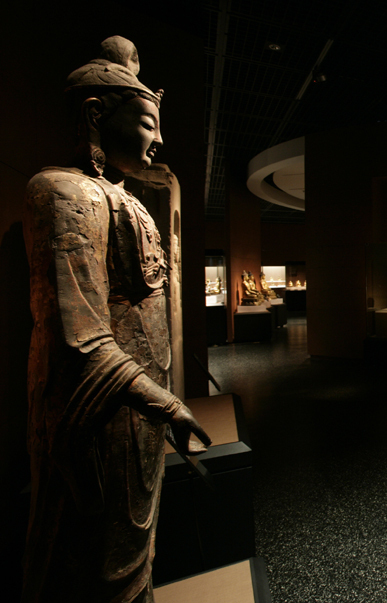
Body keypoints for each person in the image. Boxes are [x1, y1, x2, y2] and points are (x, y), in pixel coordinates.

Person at [22, 37, 210, 603]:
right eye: (148, 123)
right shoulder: (62, 192)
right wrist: (166, 403)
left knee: (135, 557)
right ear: (95, 115)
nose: (159, 139)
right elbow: (82, 338)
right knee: (98, 569)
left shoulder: (123, 198)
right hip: (103, 411)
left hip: (135, 412)